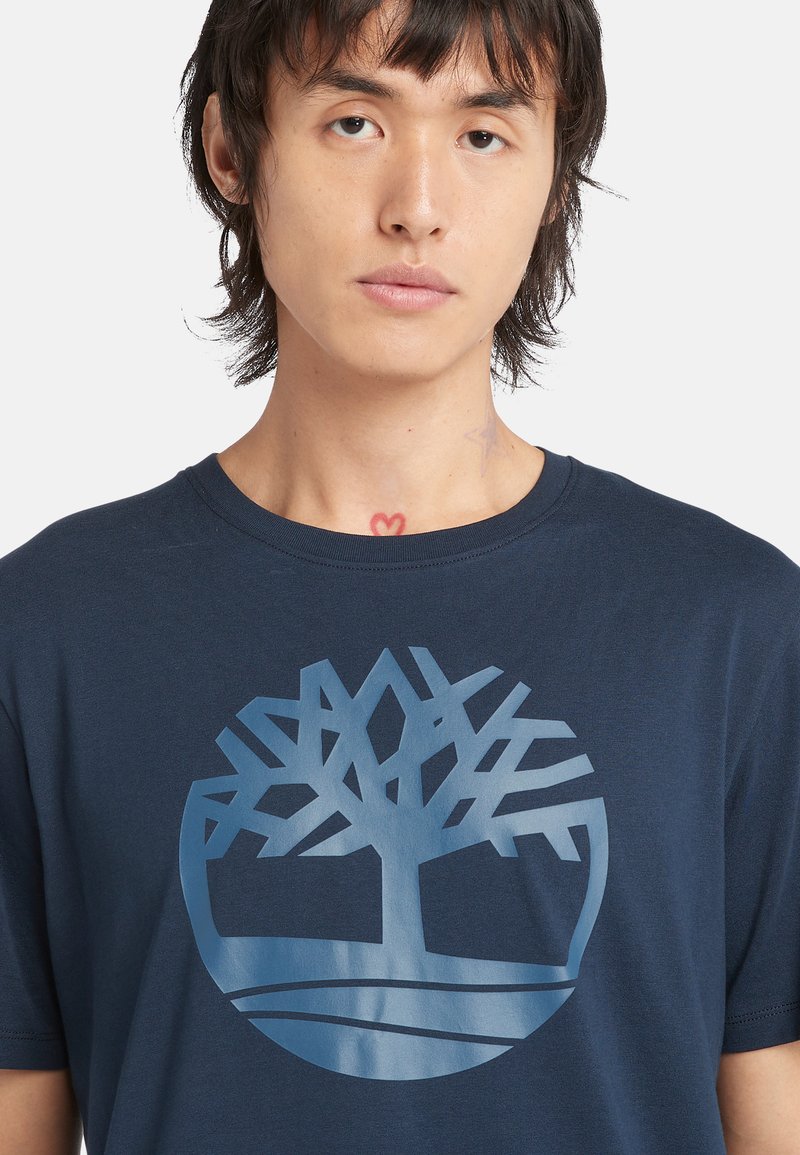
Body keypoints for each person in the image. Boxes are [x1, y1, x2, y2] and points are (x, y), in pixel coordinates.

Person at [1, 1, 798, 1152]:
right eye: (354, 122)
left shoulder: (731, 630)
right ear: (230, 150)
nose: (417, 206)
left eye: (482, 133)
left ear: (555, 176)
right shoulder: (46, 636)